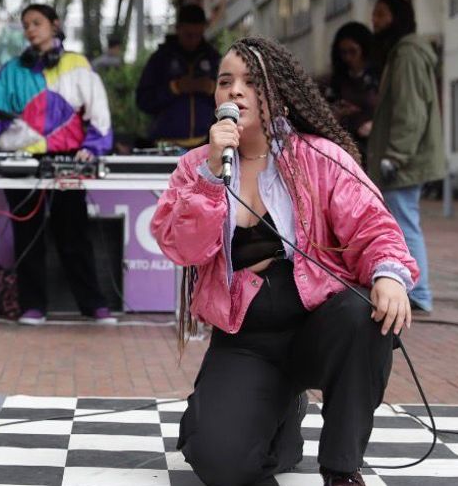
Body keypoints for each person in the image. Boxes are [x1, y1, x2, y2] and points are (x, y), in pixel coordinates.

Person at [151, 36, 418, 486]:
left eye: (251, 82)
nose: (235, 91)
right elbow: (182, 247)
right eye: (224, 81)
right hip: (247, 339)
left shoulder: (319, 158)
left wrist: (389, 276)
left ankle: (341, 467)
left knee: (365, 314)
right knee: (220, 462)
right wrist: (212, 177)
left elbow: (375, 226)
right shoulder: (196, 167)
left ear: (279, 95)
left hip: (318, 326)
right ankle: (281, 414)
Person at [0, 4, 115, 325]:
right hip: (21, 163)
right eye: (26, 25)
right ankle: (32, 306)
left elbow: (100, 116)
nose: (31, 29)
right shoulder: (12, 70)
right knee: (27, 234)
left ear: (54, 24)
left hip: (66, 161)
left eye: (36, 22)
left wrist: (92, 147)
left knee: (73, 234)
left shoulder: (77, 65)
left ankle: (94, 306)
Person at [367, 0, 445, 315]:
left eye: (381, 14)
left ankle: (419, 292)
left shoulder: (408, 54)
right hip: (407, 158)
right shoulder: (404, 52)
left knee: (404, 223)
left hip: (404, 160)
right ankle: (417, 290)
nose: (375, 21)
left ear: (397, 17)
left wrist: (396, 155)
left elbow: (411, 111)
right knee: (403, 221)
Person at [136, 3, 220, 147]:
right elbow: (143, 101)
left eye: (198, 35)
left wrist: (212, 88)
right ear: (178, 29)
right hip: (166, 144)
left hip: (205, 144)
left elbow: (231, 100)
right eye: (188, 35)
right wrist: (175, 88)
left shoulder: (213, 58)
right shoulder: (161, 59)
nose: (193, 40)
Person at [326, 21, 379, 163]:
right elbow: (327, 110)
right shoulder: (338, 80)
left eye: (353, 51)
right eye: (343, 53)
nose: (348, 58)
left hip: (376, 147)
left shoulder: (378, 76)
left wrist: (376, 124)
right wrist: (337, 112)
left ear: (364, 49)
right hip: (348, 148)